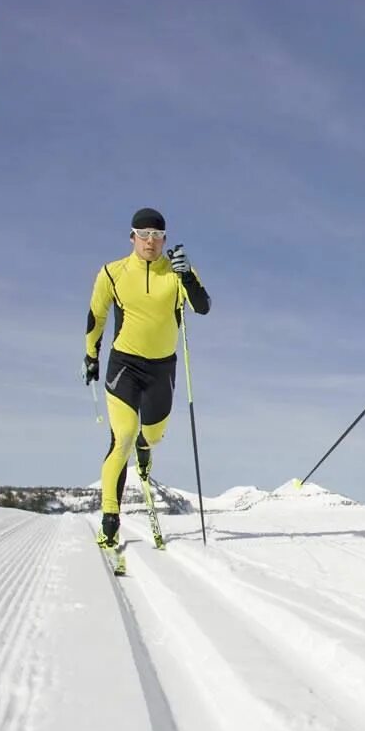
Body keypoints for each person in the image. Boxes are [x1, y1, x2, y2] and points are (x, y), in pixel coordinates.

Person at [83, 207, 210, 548]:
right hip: (124, 365)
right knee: (121, 436)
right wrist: (91, 356)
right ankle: (110, 518)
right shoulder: (113, 273)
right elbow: (96, 315)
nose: (150, 242)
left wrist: (188, 277)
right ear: (132, 237)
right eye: (143, 235)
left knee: (150, 436)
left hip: (162, 369)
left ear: (164, 239)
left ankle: (145, 447)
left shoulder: (178, 270)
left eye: (156, 236)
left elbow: (202, 306)